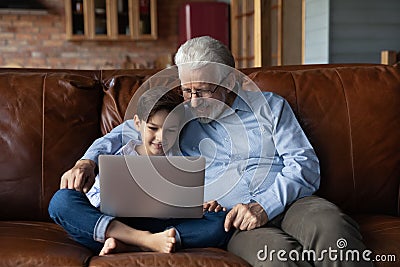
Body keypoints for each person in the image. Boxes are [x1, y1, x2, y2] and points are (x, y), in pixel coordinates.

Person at [59, 36, 372, 266]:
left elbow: (304, 163)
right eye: (186, 90)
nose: (193, 101)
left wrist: (264, 206)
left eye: (204, 90)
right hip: (230, 221)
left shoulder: (271, 107)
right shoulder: (177, 117)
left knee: (333, 230)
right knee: (278, 258)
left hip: (291, 200)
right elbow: (122, 134)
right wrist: (87, 161)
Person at [48, 88, 233, 256]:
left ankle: (134, 245)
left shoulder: (183, 161)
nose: (161, 138)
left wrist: (203, 205)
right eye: (153, 128)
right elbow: (93, 198)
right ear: (137, 123)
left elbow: (189, 205)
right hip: (110, 223)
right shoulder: (119, 152)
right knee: (60, 201)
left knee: (221, 222)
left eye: (170, 130)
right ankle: (145, 241)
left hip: (157, 226)